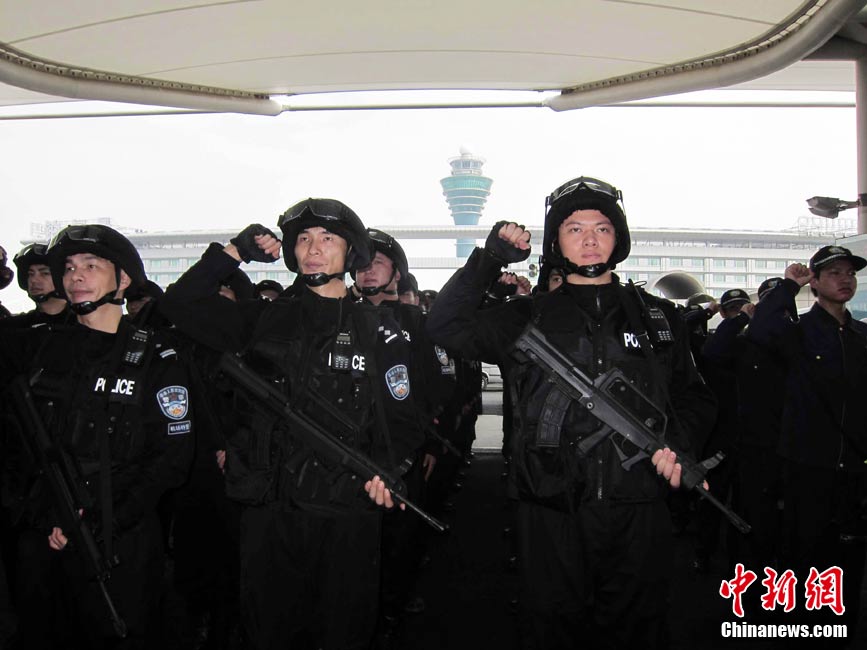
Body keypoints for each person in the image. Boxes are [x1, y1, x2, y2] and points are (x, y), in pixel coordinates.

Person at [427, 175, 715, 649]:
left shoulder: (658, 317)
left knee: (638, 625)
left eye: (601, 228)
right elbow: (444, 325)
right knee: (551, 626)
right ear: (557, 242)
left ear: (618, 238)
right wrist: (491, 258)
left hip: (639, 504)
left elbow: (694, 396)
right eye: (574, 229)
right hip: (549, 509)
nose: (589, 239)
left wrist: (678, 447)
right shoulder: (526, 314)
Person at [160, 199, 425, 650]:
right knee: (268, 631)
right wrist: (234, 252)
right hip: (271, 510)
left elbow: (401, 420)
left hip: (346, 510)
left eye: (327, 239)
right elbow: (179, 305)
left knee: (344, 631)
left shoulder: (380, 329)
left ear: (351, 252)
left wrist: (389, 471)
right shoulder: (263, 318)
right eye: (303, 239)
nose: (313, 249)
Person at [0, 224, 194, 649]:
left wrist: (102, 519)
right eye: (69, 267)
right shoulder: (35, 348)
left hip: (117, 538)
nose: (76, 276)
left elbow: (170, 459)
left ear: (122, 280)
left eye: (91, 265)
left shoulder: (155, 356)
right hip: (41, 533)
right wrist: (33, 509)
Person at [748, 245, 867, 634]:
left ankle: (841, 627)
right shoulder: (798, 333)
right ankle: (802, 629)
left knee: (850, 554)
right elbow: (760, 330)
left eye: (850, 273)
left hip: (855, 466)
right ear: (814, 282)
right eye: (833, 273)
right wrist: (788, 286)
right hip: (807, 466)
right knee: (805, 553)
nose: (844, 279)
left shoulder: (861, 335)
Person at [0, 243, 71, 327]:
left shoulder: (82, 323)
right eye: (30, 274)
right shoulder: (12, 327)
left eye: (45, 273)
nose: (33, 280)